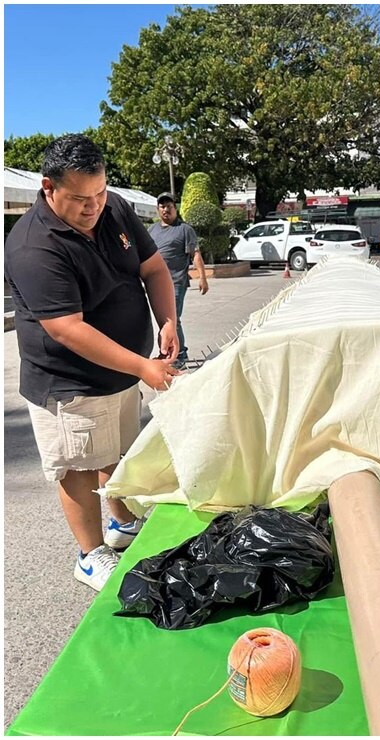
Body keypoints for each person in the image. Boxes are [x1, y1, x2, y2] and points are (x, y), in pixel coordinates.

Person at [4, 134, 182, 591]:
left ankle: (120, 522)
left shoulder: (115, 207)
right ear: (48, 187)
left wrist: (167, 321)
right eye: (81, 198)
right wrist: (144, 368)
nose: (94, 206)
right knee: (79, 464)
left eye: (100, 192)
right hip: (70, 381)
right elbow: (66, 328)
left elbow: (154, 268)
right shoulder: (32, 246)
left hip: (122, 370)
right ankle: (89, 554)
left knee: (116, 450)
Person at [149, 192, 208, 366]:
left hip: (176, 282)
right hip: (155, 283)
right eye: (162, 206)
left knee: (172, 319)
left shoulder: (184, 229)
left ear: (175, 208)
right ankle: (168, 353)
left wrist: (202, 278)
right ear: (158, 209)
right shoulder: (152, 230)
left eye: (169, 206)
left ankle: (179, 355)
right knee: (163, 321)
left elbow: (195, 254)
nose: (165, 209)